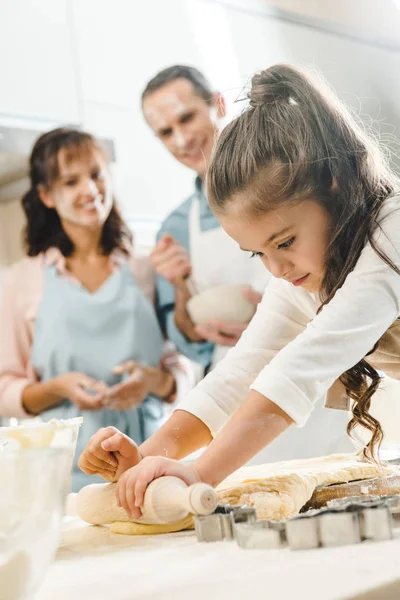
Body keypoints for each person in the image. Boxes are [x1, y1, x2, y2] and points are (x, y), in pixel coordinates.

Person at [79, 63, 400, 518]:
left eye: (285, 242)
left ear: (334, 187)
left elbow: (300, 367)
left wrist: (201, 473)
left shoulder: (391, 235)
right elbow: (240, 372)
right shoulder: (303, 273)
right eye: (258, 254)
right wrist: (149, 455)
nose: (278, 269)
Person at [0, 127, 194, 491]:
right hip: (59, 475)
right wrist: (59, 388)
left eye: (96, 175)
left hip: (149, 461)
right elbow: (4, 388)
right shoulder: (22, 280)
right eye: (70, 181)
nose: (89, 190)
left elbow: (183, 367)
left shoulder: (144, 268)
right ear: (47, 195)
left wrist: (153, 381)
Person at [142, 65, 269, 373]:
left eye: (187, 118)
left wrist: (273, 326)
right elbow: (187, 342)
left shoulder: (282, 178)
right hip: (233, 387)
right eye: (166, 132)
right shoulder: (175, 227)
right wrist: (180, 284)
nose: (182, 140)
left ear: (218, 105)